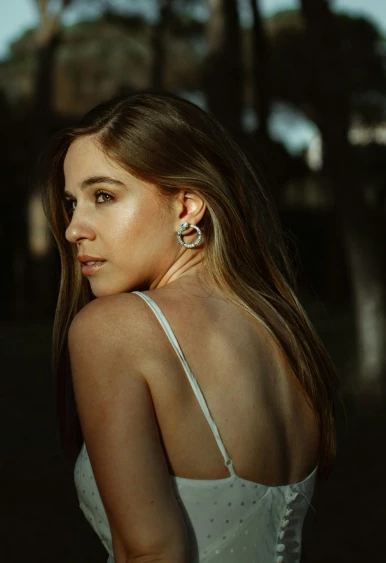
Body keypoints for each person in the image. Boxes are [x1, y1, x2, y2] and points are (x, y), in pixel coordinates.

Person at [39, 90, 339, 563]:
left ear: (187, 206)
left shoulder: (114, 329)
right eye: (72, 202)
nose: (75, 227)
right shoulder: (283, 332)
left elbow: (152, 552)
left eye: (103, 196)